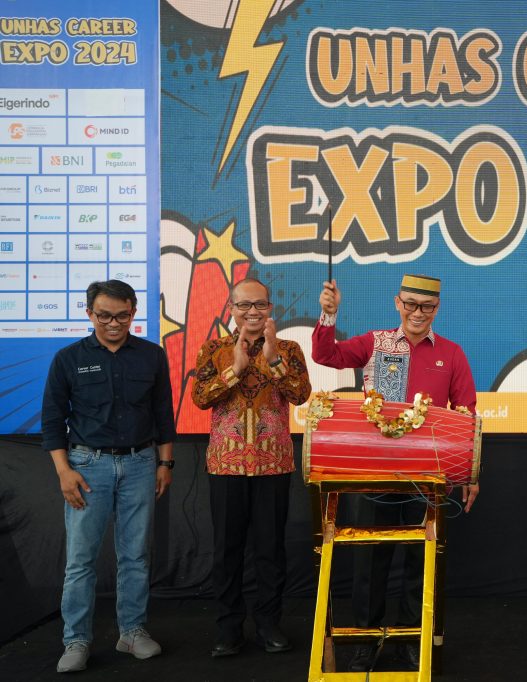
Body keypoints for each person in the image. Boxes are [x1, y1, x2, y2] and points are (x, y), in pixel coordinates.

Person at [312, 273, 477, 672]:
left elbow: (467, 413)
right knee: (370, 559)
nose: (418, 313)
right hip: (375, 470)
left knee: (420, 559)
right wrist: (328, 316)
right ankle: (365, 641)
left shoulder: (451, 353)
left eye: (427, 306)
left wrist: (470, 474)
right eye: (411, 304)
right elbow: (326, 356)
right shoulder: (375, 343)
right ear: (397, 303)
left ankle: (409, 640)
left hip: (427, 475)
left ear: (437, 308)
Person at [41, 279, 176, 673]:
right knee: (80, 560)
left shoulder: (152, 356)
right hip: (87, 467)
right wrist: (64, 472)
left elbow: (164, 413)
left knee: (135, 556)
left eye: (122, 315)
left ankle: (131, 632)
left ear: (133, 312)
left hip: (140, 464)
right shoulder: (67, 358)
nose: (113, 323)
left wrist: (165, 464)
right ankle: (76, 640)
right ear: (89, 314)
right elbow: (52, 420)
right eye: (104, 316)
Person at [191, 277, 312, 657]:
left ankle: (268, 625)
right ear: (231, 308)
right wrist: (236, 368)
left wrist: (273, 359)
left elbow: (300, 395)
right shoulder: (213, 349)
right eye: (244, 305)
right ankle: (228, 629)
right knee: (227, 551)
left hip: (272, 463)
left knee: (270, 550)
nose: (252, 312)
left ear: (270, 308)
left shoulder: (288, 349)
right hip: (226, 465)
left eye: (259, 304)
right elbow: (199, 398)